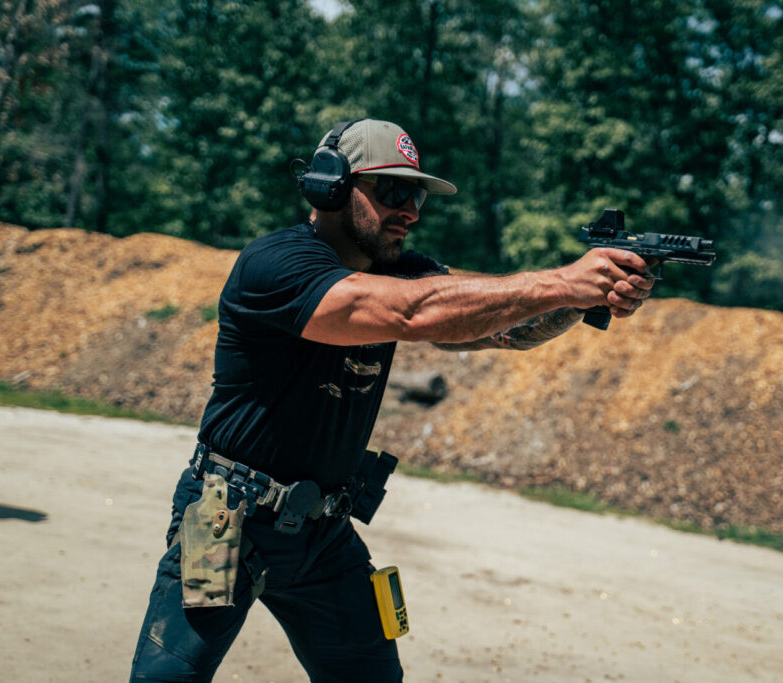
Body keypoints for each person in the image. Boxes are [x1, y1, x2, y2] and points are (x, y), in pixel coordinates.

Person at [129, 119, 655, 682]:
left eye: (418, 194)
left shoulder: (399, 273)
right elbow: (409, 312)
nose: (412, 210)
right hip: (228, 519)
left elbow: (496, 328)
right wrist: (562, 282)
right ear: (331, 185)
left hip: (323, 532)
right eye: (395, 191)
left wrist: (586, 297)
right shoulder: (274, 265)